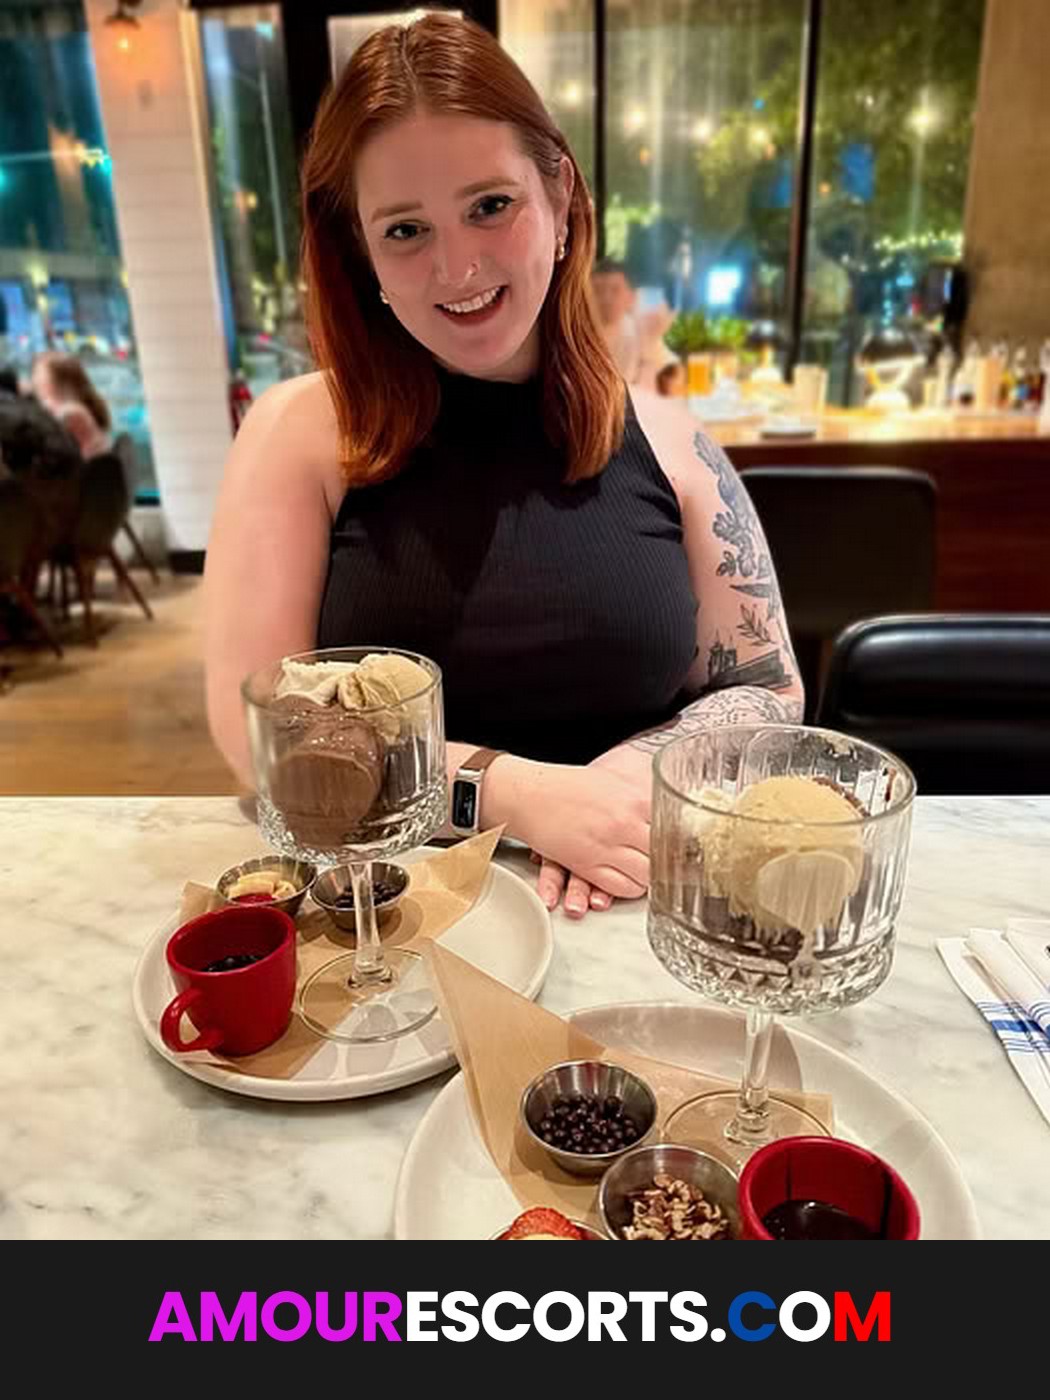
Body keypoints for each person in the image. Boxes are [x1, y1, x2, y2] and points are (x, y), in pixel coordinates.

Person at [203, 14, 803, 919]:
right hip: (387, 920)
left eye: (490, 205)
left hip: (634, 897)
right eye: (406, 229)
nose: (458, 267)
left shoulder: (674, 444)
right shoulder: (300, 435)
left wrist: (619, 788)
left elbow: (765, 685)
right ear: (360, 251)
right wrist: (520, 797)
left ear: (560, 197)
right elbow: (260, 741)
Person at [30, 351, 113, 461]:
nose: (34, 379)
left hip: (89, 469)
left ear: (56, 382)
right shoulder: (75, 407)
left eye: (38, 374)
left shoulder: (71, 411)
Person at [590, 258, 640, 383]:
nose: (606, 298)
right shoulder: (577, 330)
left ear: (631, 297)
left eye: (615, 290)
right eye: (598, 290)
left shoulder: (632, 334)